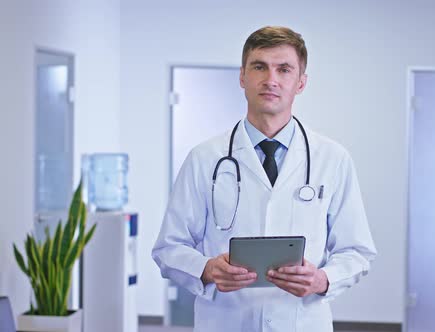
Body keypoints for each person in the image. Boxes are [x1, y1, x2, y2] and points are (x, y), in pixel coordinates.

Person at [152, 26, 377, 332]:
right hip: (226, 321)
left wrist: (323, 279)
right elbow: (169, 248)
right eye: (259, 67)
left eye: (284, 69)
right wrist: (206, 268)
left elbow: (357, 251)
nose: (271, 80)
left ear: (301, 83)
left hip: (301, 322)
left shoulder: (333, 159)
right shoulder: (204, 158)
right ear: (242, 77)